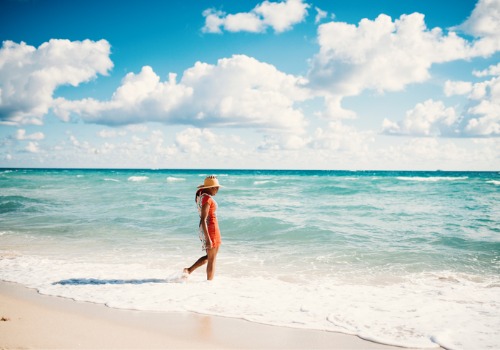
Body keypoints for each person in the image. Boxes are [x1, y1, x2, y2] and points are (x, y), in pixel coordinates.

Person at [183, 175, 222, 280]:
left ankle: (188, 270)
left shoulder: (200, 195)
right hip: (210, 229)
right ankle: (209, 283)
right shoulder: (207, 199)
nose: (217, 190)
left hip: (206, 228)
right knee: (212, 259)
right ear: (209, 188)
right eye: (215, 187)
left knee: (210, 257)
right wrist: (208, 238)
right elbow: (203, 219)